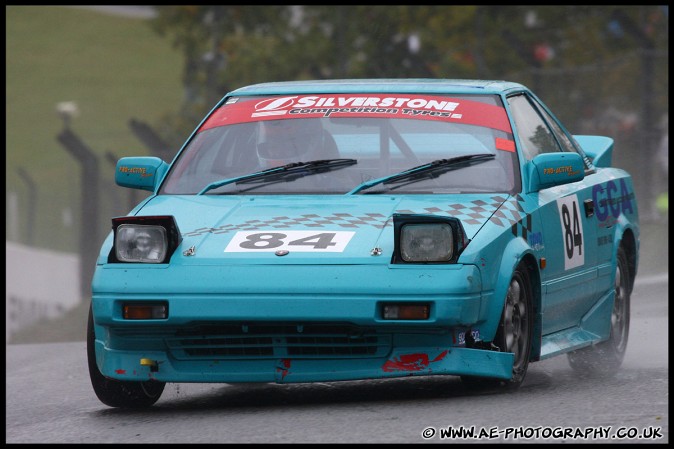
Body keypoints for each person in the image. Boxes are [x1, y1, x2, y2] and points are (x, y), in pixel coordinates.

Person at [256, 118, 338, 168]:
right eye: (273, 147)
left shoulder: (331, 184)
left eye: (289, 147)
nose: (279, 153)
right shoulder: (249, 179)